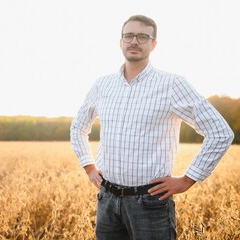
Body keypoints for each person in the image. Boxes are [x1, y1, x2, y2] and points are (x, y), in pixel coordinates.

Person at [70, 15, 234, 240]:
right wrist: (88, 166)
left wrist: (188, 179)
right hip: (107, 201)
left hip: (149, 204)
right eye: (128, 36)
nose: (134, 41)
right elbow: (78, 126)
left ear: (153, 44)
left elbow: (220, 132)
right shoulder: (102, 85)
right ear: (120, 42)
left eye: (142, 36)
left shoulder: (172, 84)